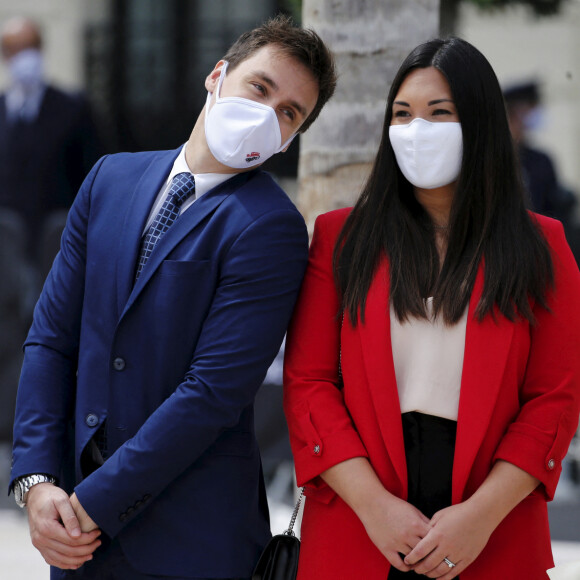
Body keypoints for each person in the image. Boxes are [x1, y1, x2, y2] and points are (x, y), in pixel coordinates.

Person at [10, 15, 336, 580]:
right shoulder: (109, 178)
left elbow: (210, 394)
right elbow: (51, 338)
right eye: (260, 88)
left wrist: (92, 506)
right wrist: (37, 483)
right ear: (217, 76)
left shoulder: (271, 225)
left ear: (292, 138)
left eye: (289, 113)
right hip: (72, 531)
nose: (268, 116)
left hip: (189, 540)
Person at [283, 37, 580, 580]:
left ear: (482, 122)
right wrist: (374, 507)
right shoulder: (340, 238)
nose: (416, 130)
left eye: (438, 113)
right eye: (402, 114)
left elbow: (554, 399)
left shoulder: (542, 246)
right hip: (360, 514)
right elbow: (310, 384)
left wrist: (480, 516)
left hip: (492, 518)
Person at [0, 17, 103, 272]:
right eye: (16, 49)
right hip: (7, 242)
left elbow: (91, 170)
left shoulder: (72, 109)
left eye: (30, 47)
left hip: (56, 237)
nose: (25, 58)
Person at [503, 81, 576, 227]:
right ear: (517, 111)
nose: (537, 113)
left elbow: (552, 209)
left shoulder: (541, 160)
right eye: (532, 107)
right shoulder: (495, 157)